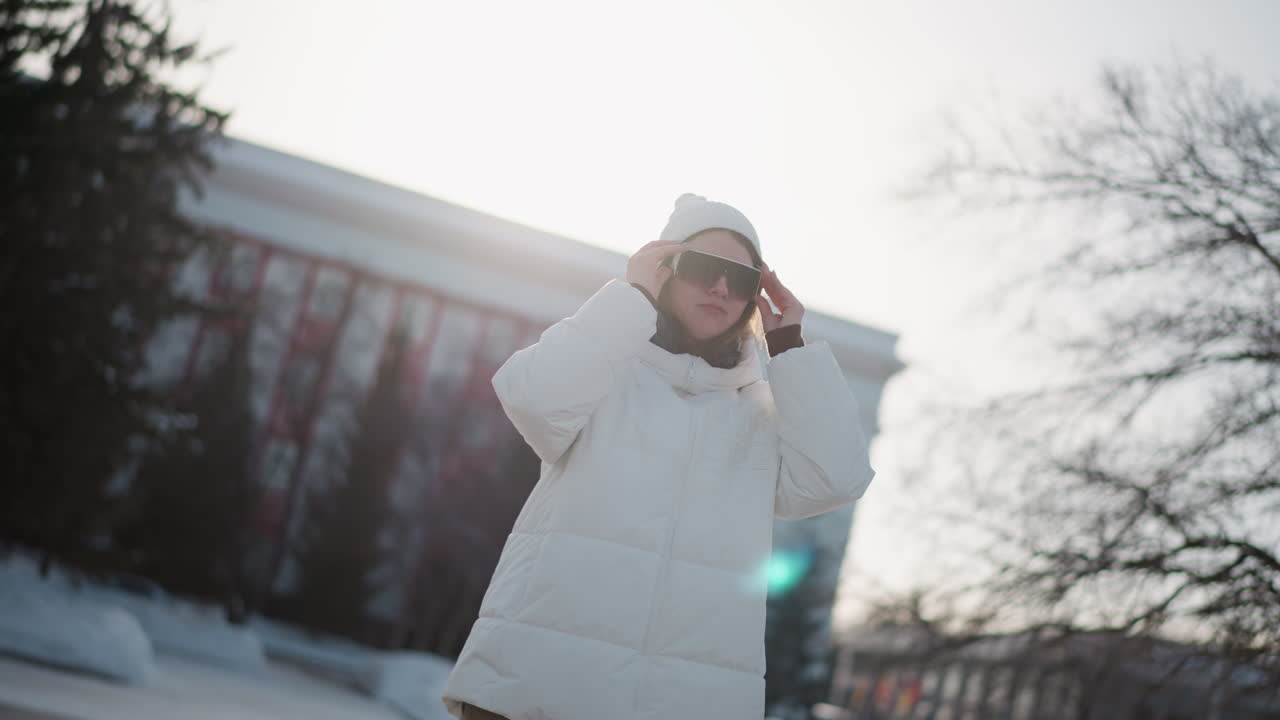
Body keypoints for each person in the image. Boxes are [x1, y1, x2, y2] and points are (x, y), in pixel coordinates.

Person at [441, 193, 875, 720]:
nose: (720, 287)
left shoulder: (758, 417)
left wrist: (789, 346)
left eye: (741, 278)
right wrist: (632, 297)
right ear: (664, 269)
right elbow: (532, 398)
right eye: (704, 268)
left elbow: (835, 480)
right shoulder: (605, 372)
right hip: (535, 684)